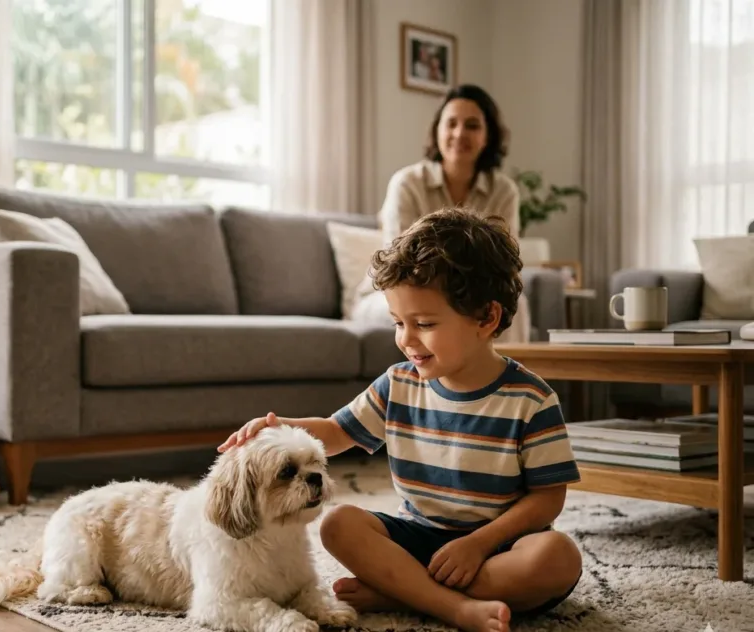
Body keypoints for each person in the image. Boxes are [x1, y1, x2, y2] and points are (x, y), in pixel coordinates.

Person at [218, 208, 583, 632]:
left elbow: (547, 499)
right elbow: (336, 432)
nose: (406, 339)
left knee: (558, 558)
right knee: (339, 524)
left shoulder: (532, 400)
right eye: (398, 323)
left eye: (423, 324)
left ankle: (404, 592)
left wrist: (478, 544)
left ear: (487, 318)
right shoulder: (398, 384)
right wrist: (278, 426)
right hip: (418, 539)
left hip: (499, 546)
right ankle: (452, 605)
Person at [354, 84, 531, 344]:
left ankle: (504, 373)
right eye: (451, 124)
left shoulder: (504, 191)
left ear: (488, 136)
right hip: (392, 294)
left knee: (514, 304)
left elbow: (504, 263)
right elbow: (400, 264)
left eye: (472, 126)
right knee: (437, 312)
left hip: (468, 294)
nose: (459, 133)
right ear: (437, 131)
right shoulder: (407, 183)